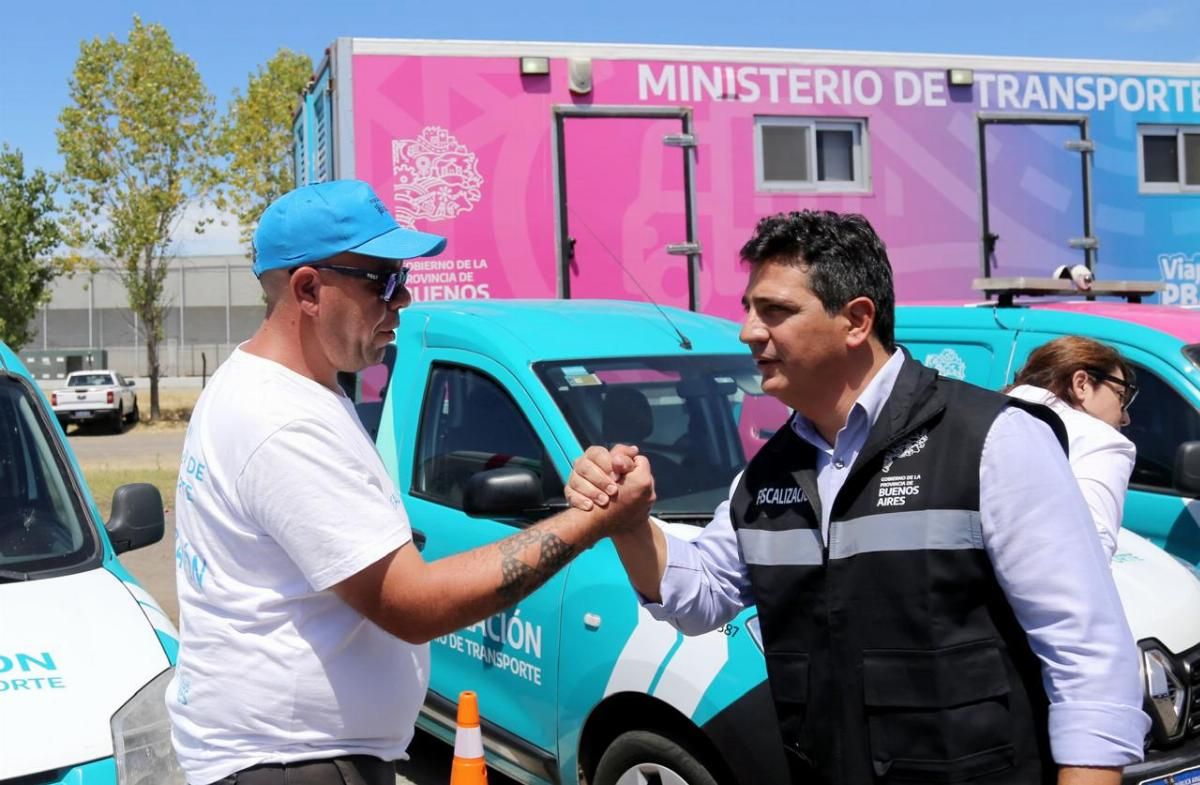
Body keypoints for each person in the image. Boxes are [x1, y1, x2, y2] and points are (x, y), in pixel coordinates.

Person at [567, 210, 1148, 785]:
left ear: (856, 320)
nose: (748, 330)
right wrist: (629, 524)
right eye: (748, 309)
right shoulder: (768, 474)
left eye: (775, 311)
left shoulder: (993, 440)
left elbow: (1088, 658)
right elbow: (698, 597)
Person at [166, 180, 652, 785]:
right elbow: (410, 606)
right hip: (292, 763)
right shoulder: (282, 422)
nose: (404, 298)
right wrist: (590, 520)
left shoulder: (286, 387)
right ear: (309, 289)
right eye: (384, 281)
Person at [1007, 336, 1138, 562]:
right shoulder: (1100, 440)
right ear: (1081, 384)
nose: (1125, 417)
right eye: (1121, 396)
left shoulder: (981, 415)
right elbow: (1090, 556)